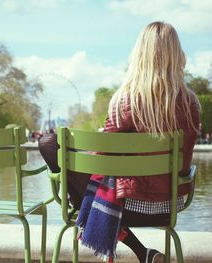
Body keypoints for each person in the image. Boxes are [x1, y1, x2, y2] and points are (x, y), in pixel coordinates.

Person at [39, 21, 200, 263]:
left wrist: (96, 142)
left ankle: (85, 207)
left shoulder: (126, 101)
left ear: (139, 55)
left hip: (130, 205)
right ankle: (143, 254)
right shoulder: (191, 104)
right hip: (171, 205)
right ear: (177, 55)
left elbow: (101, 161)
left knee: (49, 143)